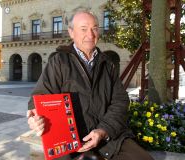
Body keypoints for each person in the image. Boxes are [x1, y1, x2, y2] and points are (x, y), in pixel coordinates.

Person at [27, 10, 154, 160]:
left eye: (94, 28)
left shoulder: (107, 64)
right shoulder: (59, 62)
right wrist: (34, 118)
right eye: (83, 29)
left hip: (108, 136)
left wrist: (103, 130)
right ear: (71, 32)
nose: (91, 34)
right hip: (71, 141)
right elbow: (40, 97)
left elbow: (120, 101)